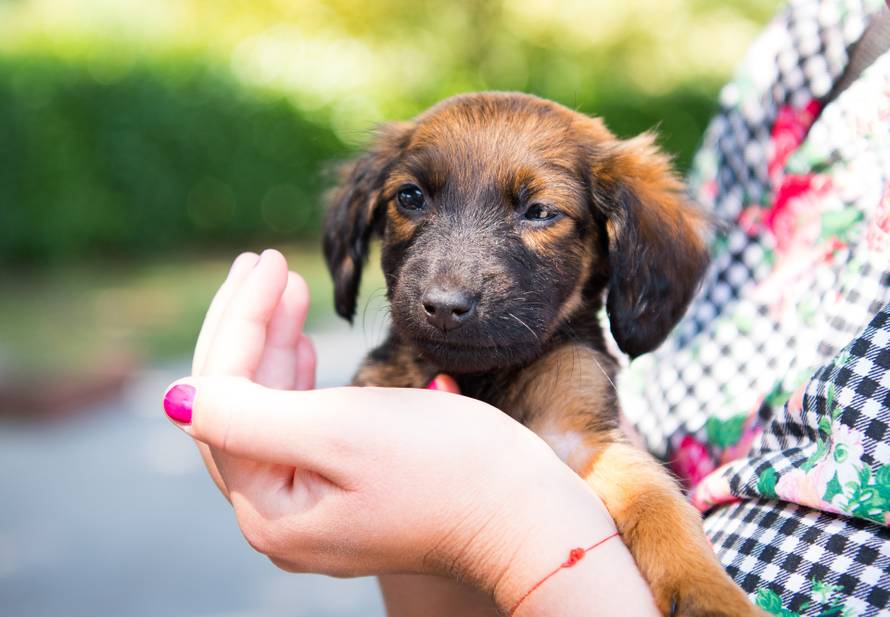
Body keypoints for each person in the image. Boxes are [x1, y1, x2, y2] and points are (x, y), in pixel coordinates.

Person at [164, 0, 890, 615]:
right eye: (412, 198)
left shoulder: (572, 356)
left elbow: (611, 463)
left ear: (612, 248)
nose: (447, 287)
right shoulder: (820, 35)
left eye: (538, 211)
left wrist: (688, 583)